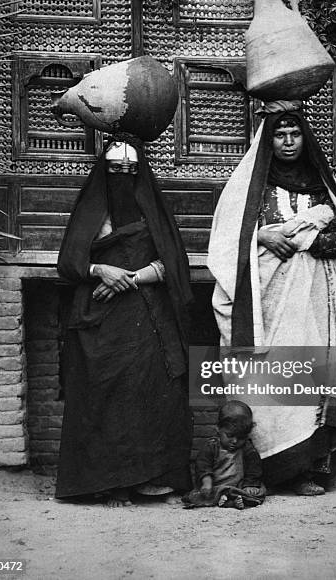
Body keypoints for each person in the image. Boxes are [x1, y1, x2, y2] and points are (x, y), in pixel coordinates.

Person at [208, 101, 336, 496]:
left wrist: (310, 234)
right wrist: (260, 236)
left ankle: (307, 471)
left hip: (313, 296)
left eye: (295, 134)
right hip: (265, 297)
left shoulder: (320, 183)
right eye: (280, 134)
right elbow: (226, 238)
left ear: (305, 137)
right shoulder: (249, 184)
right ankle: (260, 469)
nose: (288, 141)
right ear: (269, 139)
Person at [55, 135, 193, 506]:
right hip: (99, 319)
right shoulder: (91, 210)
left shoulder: (153, 210)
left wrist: (127, 279)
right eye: (116, 169)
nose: (123, 176)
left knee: (149, 391)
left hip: (147, 315)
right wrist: (101, 270)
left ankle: (150, 480)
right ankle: (108, 483)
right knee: (104, 393)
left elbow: (174, 264)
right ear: (105, 170)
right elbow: (68, 263)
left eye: (131, 170)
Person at [183, 401, 266, 509]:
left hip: (238, 486)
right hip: (215, 486)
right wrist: (207, 482)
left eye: (241, 437)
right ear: (218, 428)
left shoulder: (247, 448)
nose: (235, 441)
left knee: (258, 492)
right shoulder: (212, 446)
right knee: (194, 496)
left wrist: (250, 484)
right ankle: (230, 500)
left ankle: (231, 500)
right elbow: (203, 465)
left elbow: (254, 468)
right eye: (230, 435)